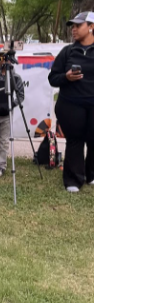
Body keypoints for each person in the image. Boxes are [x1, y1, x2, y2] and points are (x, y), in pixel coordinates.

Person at [49, 12, 94, 193]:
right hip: (71, 105)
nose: (73, 29)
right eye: (72, 26)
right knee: (75, 141)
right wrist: (67, 77)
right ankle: (73, 180)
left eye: (78, 25)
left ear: (91, 26)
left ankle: (92, 175)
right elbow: (53, 78)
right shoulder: (67, 51)